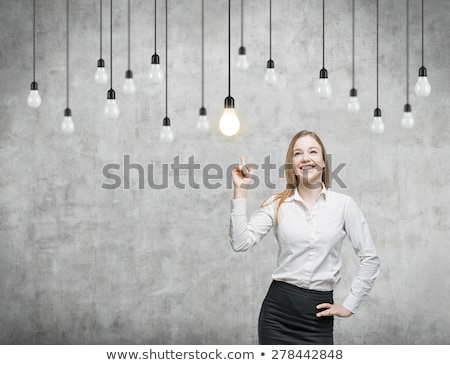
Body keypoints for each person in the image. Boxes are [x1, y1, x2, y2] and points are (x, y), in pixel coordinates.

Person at [229, 130, 380, 345]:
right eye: (298, 153)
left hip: (317, 319)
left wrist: (350, 304)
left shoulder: (344, 205)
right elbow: (240, 243)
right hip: (277, 316)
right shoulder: (277, 203)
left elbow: (370, 259)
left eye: (313, 151)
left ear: (324, 162)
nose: (306, 158)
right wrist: (241, 191)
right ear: (292, 164)